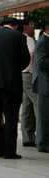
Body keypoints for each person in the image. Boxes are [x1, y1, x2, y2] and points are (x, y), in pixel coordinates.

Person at [0, 17, 31, 159]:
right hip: (11, 83)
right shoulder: (19, 37)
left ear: (1, 25)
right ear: (14, 26)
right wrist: (14, 69)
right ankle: (9, 151)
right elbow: (26, 59)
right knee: (11, 117)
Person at [21, 20, 38, 147]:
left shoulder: (20, 38)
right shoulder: (29, 39)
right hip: (29, 74)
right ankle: (42, 135)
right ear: (26, 26)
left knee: (27, 106)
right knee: (38, 104)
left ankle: (27, 137)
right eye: (32, 25)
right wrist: (27, 67)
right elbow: (31, 54)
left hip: (21, 74)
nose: (33, 28)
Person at [33, 20, 49, 153]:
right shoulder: (43, 42)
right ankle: (43, 143)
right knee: (44, 115)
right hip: (45, 84)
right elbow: (42, 62)